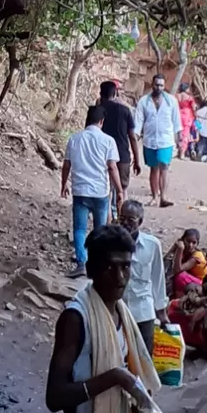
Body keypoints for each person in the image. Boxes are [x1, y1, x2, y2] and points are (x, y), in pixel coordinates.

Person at [61, 104, 124, 277]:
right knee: (99, 230)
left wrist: (63, 184)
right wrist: (119, 190)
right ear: (102, 121)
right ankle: (97, 265)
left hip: (80, 190)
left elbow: (66, 165)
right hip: (100, 192)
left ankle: (81, 263)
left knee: (80, 229)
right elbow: (112, 167)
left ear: (87, 119)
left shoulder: (74, 139)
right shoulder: (108, 141)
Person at [118, 199, 169, 347]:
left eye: (131, 219)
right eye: (122, 218)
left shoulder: (152, 245)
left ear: (140, 221)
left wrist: (161, 311)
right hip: (117, 309)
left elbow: (158, 279)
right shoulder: (112, 241)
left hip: (143, 311)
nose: (125, 223)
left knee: (144, 355)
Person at [133, 74, 183, 209]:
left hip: (166, 140)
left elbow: (176, 121)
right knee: (153, 169)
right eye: (156, 85)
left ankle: (163, 197)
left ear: (164, 86)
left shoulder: (171, 101)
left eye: (161, 85)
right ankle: (154, 197)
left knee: (164, 167)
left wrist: (180, 138)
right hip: (149, 140)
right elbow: (138, 121)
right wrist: (135, 135)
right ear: (152, 84)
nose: (159, 87)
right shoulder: (144, 101)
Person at [98, 78, 141, 197]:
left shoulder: (97, 111)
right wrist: (136, 160)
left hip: (101, 155)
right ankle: (122, 214)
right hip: (122, 155)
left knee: (105, 190)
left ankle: (107, 215)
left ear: (100, 94)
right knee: (122, 190)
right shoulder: (125, 110)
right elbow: (132, 137)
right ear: (115, 93)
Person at [178, 89, 198, 158]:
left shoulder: (176, 96)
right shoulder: (189, 98)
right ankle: (182, 153)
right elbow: (194, 108)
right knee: (185, 135)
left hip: (179, 115)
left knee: (179, 134)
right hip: (187, 116)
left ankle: (178, 151)